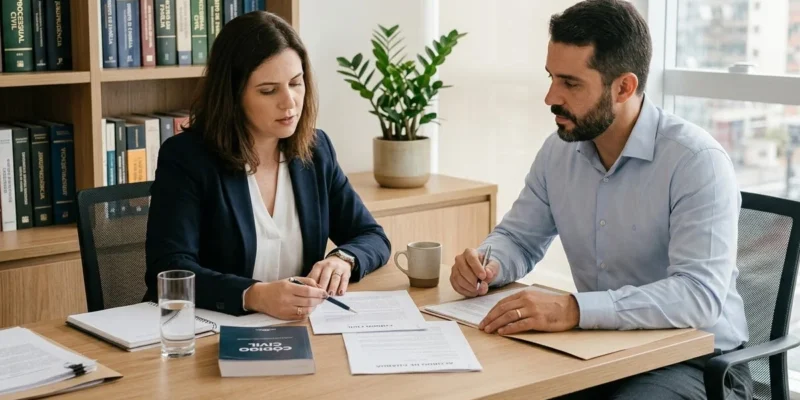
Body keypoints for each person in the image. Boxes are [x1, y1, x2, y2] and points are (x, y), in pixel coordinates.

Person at [449, 1, 752, 398]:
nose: (550, 97)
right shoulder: (558, 152)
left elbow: (698, 296)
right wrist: (488, 264)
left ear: (623, 87)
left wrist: (574, 309)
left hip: (696, 361)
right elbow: (519, 239)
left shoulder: (696, 162)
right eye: (551, 77)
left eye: (571, 84)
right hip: (599, 349)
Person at [145, 12, 391, 321]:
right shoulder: (187, 157)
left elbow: (372, 236)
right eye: (268, 90)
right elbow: (169, 270)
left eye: (296, 83)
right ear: (233, 94)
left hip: (296, 327)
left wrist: (344, 259)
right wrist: (253, 295)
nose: (289, 102)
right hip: (207, 329)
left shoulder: (316, 150)